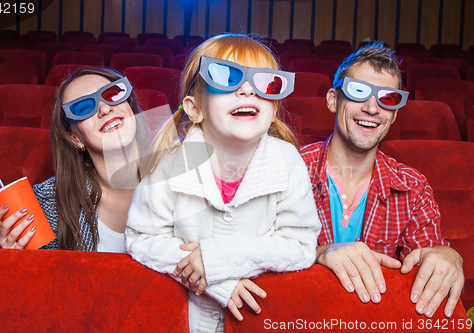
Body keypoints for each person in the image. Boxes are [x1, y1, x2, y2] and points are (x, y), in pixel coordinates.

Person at [125, 34, 321, 333]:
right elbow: (141, 239)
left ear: (274, 110)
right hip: (179, 319)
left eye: (265, 83)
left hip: (260, 321)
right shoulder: (170, 163)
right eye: (226, 78)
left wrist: (221, 258)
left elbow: (301, 245)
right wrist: (218, 281)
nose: (246, 90)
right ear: (194, 108)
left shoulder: (287, 160)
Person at [300, 42, 464, 319]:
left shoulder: (414, 187)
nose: (372, 108)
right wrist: (316, 253)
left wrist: (447, 257)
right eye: (358, 91)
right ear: (332, 100)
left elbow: (427, 265)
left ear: (395, 114)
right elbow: (251, 255)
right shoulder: (286, 170)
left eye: (387, 99)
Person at [0, 67, 150, 252]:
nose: (105, 108)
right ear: (75, 138)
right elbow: (45, 277)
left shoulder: (180, 170)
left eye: (112, 94)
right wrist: (17, 261)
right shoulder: (49, 203)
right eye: (83, 108)